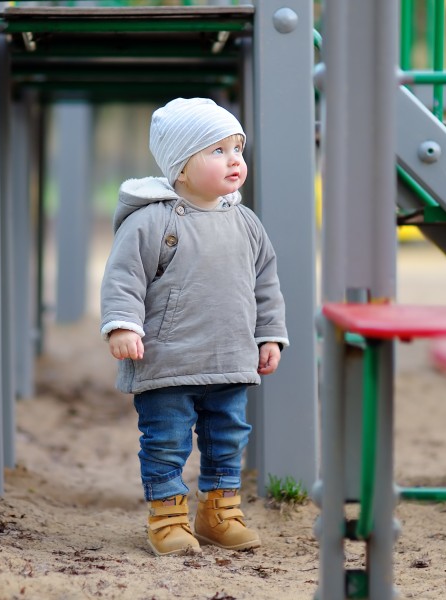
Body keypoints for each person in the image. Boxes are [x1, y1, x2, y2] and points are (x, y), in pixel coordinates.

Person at [99, 98, 289, 556]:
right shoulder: (152, 221)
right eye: (217, 150)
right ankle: (167, 517)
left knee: (228, 438)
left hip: (229, 357)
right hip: (168, 359)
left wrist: (269, 334)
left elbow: (265, 281)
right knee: (166, 441)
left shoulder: (245, 222)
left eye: (238, 149)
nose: (234, 161)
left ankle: (218, 511)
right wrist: (123, 326)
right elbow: (124, 276)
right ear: (181, 167)